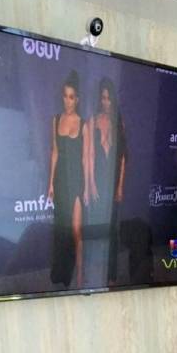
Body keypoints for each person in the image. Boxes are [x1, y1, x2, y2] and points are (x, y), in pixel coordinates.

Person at [47, 70, 90, 288]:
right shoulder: (55, 120)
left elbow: (85, 159)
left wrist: (86, 188)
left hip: (76, 181)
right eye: (65, 96)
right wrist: (50, 184)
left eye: (71, 97)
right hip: (60, 181)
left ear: (77, 99)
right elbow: (54, 152)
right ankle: (61, 273)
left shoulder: (83, 124)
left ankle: (80, 272)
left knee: (76, 230)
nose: (67, 101)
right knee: (61, 228)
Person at [85, 77, 127, 285]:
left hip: (113, 183)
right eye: (103, 98)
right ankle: (92, 274)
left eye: (109, 98)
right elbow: (90, 156)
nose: (106, 102)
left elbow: (123, 157)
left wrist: (119, 186)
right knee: (97, 226)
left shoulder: (119, 123)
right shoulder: (93, 121)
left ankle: (111, 276)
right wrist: (92, 184)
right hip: (99, 181)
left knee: (112, 230)